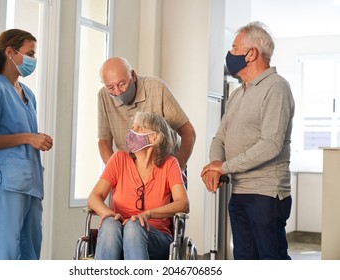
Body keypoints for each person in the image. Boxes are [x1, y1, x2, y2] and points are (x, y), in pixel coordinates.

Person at [201, 22, 295, 260]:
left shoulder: (277, 88)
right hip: (240, 191)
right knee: (244, 259)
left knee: (271, 260)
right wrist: (215, 165)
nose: (230, 54)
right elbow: (220, 137)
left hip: (266, 194)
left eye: (234, 48)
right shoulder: (238, 93)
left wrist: (223, 167)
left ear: (251, 53)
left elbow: (271, 144)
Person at [0, 29, 53, 260]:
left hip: (30, 184)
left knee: (30, 252)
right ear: (10, 52)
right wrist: (28, 137)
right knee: (3, 254)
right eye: (30, 53)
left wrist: (37, 138)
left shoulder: (28, 94)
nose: (33, 60)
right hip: (4, 185)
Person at [88, 111, 189, 260]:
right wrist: (107, 213)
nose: (132, 132)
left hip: (155, 236)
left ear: (155, 137)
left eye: (139, 128)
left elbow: (183, 204)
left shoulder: (170, 164)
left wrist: (147, 214)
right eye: (132, 128)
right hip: (117, 230)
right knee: (110, 224)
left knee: (134, 226)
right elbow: (94, 197)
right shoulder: (119, 159)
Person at [97, 57, 196, 175]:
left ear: (132, 75)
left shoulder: (156, 88)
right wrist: (116, 175)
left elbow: (188, 132)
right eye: (111, 88)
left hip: (164, 170)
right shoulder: (103, 96)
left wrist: (179, 167)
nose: (118, 92)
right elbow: (104, 142)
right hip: (130, 175)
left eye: (122, 84)